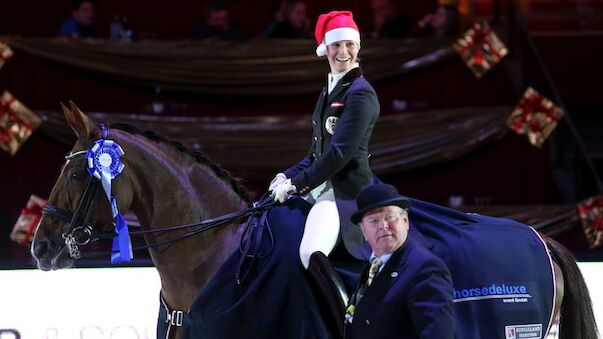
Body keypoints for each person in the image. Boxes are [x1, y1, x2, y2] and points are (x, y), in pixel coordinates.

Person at [270, 11, 379, 270]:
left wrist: (296, 184)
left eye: (349, 45)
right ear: (325, 49)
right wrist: (286, 176)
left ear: (358, 48)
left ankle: (341, 311)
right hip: (321, 183)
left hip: (344, 191)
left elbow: (339, 155)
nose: (343, 52)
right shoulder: (328, 90)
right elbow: (316, 153)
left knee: (310, 252)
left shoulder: (361, 93)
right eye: (337, 45)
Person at [344, 183, 454, 339]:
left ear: (405, 221)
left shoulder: (426, 269)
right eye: (374, 221)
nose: (383, 226)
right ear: (364, 232)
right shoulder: (373, 265)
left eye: (389, 217)